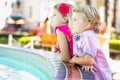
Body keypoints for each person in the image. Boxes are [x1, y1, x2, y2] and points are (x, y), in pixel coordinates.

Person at [69, 5, 112, 80]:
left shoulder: (88, 35)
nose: (71, 23)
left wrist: (74, 60)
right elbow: (82, 60)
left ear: (87, 23)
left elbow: (88, 60)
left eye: (75, 19)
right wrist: (81, 61)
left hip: (100, 76)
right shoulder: (79, 36)